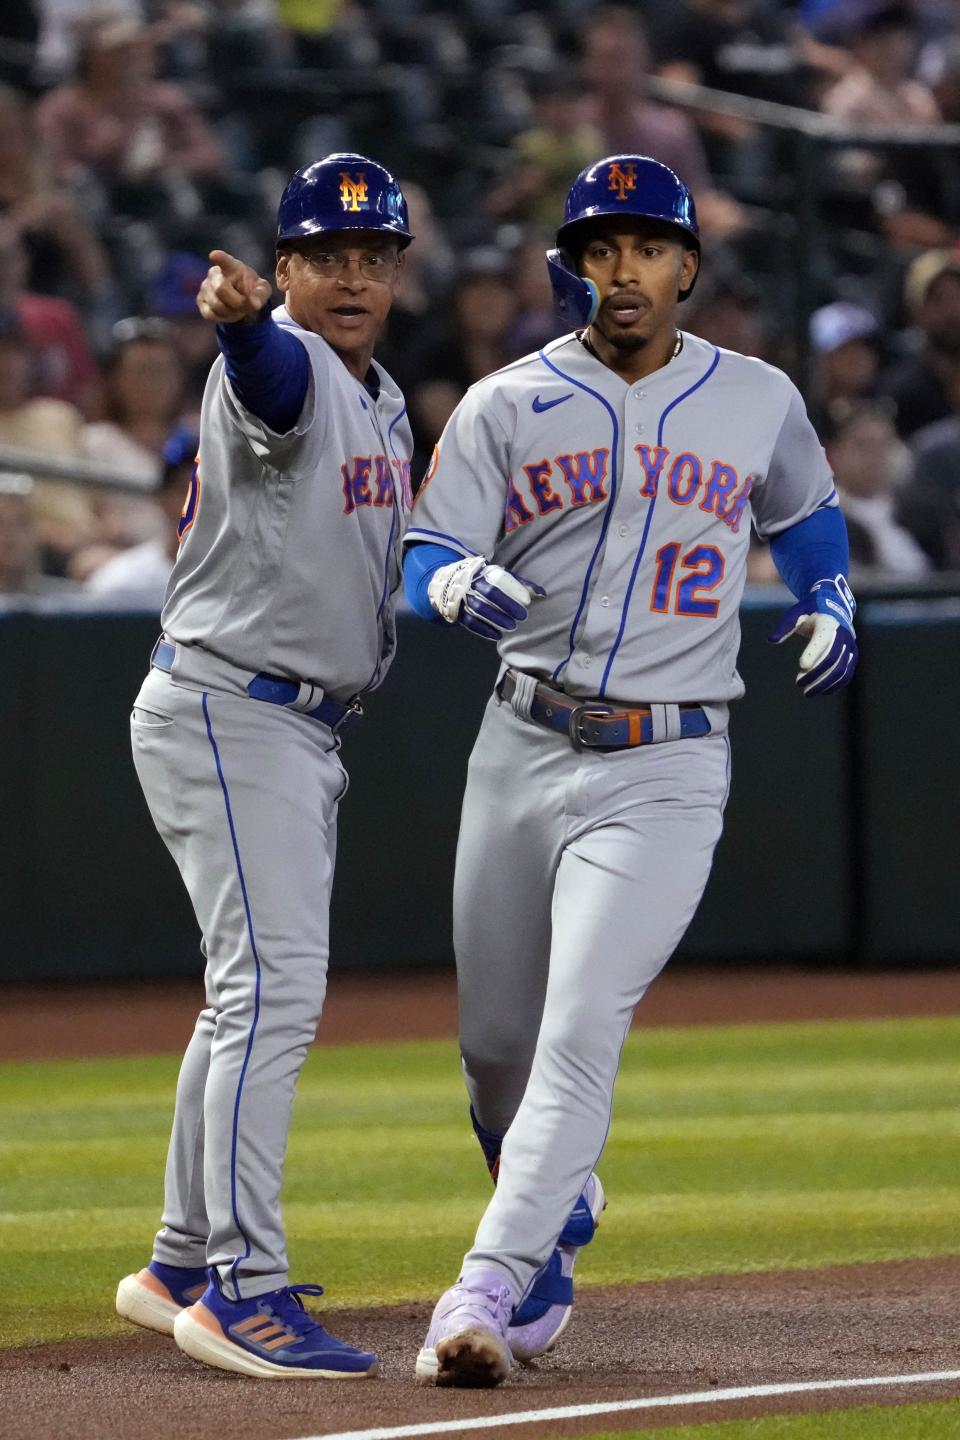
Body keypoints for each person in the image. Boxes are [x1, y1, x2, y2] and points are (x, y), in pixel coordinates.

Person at [402, 154, 858, 1388]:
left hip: (668, 760)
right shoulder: (506, 401)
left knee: (576, 1027)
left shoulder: (755, 396)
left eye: (648, 246)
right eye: (601, 247)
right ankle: (551, 1220)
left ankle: (486, 1288)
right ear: (571, 265)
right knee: (493, 1044)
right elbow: (426, 544)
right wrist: (444, 580)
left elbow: (807, 511)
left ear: (687, 267)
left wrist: (828, 593)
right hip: (520, 736)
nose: (624, 269)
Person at [114, 152, 414, 1380]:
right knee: (273, 995)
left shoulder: (384, 395)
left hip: (278, 721)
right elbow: (271, 377)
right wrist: (244, 330)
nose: (348, 278)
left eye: (370, 258)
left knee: (243, 993)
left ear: (395, 270)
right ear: (283, 270)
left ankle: (181, 1261)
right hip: (237, 711)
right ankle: (241, 1287)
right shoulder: (281, 367)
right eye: (322, 258)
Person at [85, 427, 197, 608]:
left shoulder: (250, 580)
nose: (202, 505)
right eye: (187, 491)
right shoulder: (121, 584)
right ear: (162, 498)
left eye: (214, 492)